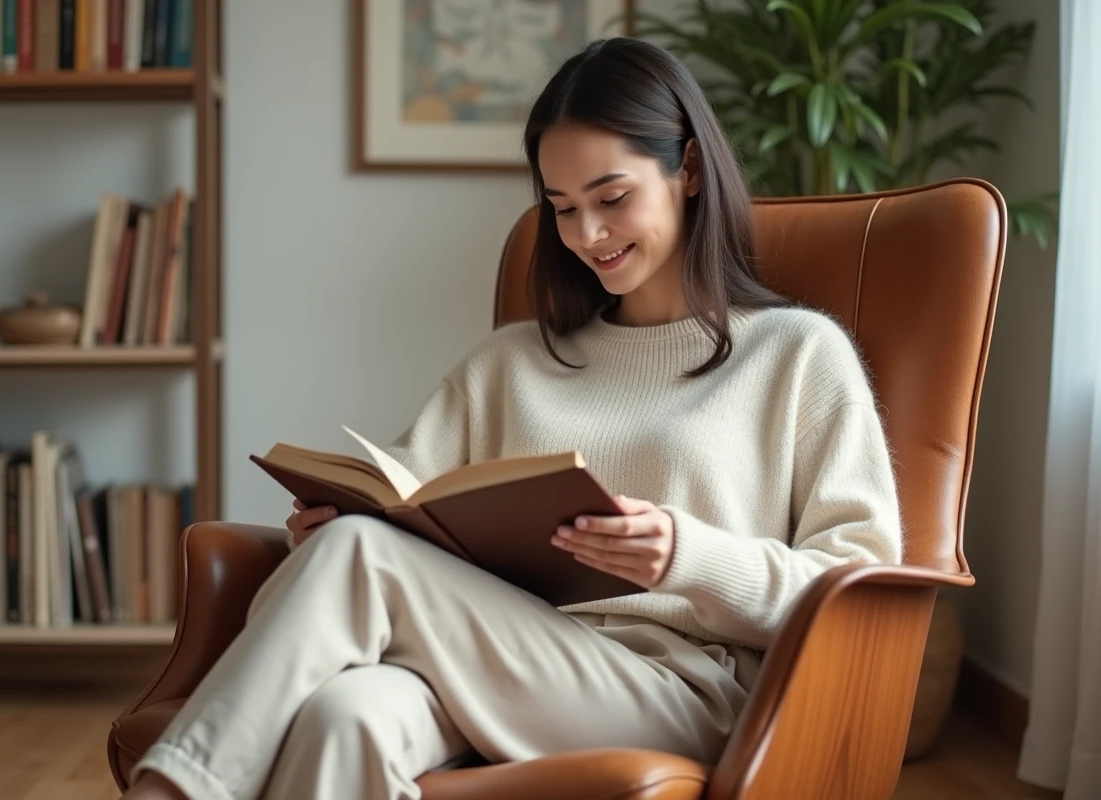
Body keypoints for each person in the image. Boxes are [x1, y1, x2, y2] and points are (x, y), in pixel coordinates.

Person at [121, 37, 902, 800]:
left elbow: (854, 589)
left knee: (359, 557)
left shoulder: (797, 354)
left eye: (612, 198)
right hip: (493, 661)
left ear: (689, 168)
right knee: (345, 715)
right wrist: (324, 524)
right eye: (563, 208)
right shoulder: (510, 363)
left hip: (680, 688)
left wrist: (684, 555)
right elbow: (395, 509)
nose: (587, 234)